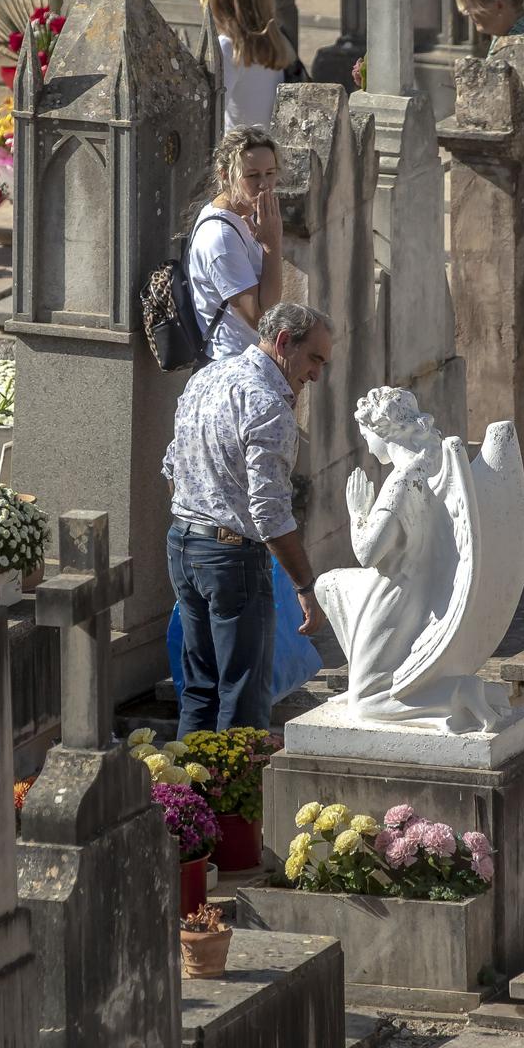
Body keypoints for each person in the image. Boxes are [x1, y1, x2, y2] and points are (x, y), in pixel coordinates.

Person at [164, 301, 332, 734]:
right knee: (242, 698)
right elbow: (271, 513)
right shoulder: (269, 404)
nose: (316, 374)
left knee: (199, 689)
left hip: (183, 542)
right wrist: (306, 587)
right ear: (282, 343)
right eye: (314, 358)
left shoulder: (208, 375)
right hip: (229, 557)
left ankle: (185, 799)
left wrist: (198, 515)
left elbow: (171, 466)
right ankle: (230, 799)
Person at [187, 126, 282, 363]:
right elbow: (261, 319)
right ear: (225, 175)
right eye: (252, 176)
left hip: (250, 359)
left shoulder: (246, 215)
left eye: (270, 173)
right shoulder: (220, 237)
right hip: (232, 364)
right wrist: (273, 246)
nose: (264, 184)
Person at [196, 0, 296, 130]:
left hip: (237, 153)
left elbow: (207, 118)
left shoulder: (227, 47)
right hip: (265, 151)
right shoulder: (272, 38)